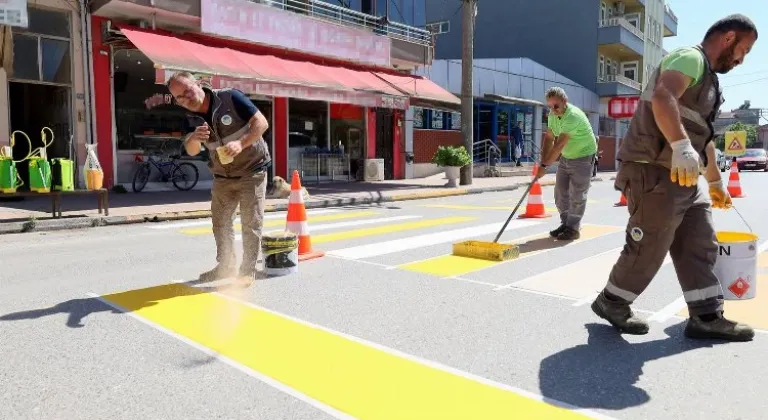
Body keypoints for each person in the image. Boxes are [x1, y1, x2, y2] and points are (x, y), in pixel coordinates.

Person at [591, 14, 758, 341]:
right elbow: (663, 95)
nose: (742, 59)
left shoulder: (709, 81)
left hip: (682, 176)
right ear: (729, 38)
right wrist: (681, 146)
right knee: (650, 242)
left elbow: (703, 138)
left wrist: (714, 182)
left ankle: (706, 316)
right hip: (652, 166)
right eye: (745, 49)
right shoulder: (689, 58)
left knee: (700, 241)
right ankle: (612, 301)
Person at [167, 71, 271, 284]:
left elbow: (261, 123)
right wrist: (194, 139)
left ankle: (247, 270)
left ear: (199, 83)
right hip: (223, 176)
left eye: (188, 90)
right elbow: (192, 150)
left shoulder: (230, 98)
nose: (187, 98)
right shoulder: (191, 117)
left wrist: (241, 143)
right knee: (221, 222)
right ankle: (226, 266)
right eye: (180, 97)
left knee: (251, 222)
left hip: (252, 170)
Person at [535, 87, 598, 241]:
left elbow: (558, 145)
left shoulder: (573, 116)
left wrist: (544, 167)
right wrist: (542, 163)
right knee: (560, 192)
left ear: (564, 101)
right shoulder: (552, 115)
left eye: (555, 106)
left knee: (577, 194)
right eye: (549, 106)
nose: (553, 110)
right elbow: (549, 138)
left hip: (583, 157)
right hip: (567, 157)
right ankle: (566, 224)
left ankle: (573, 229)